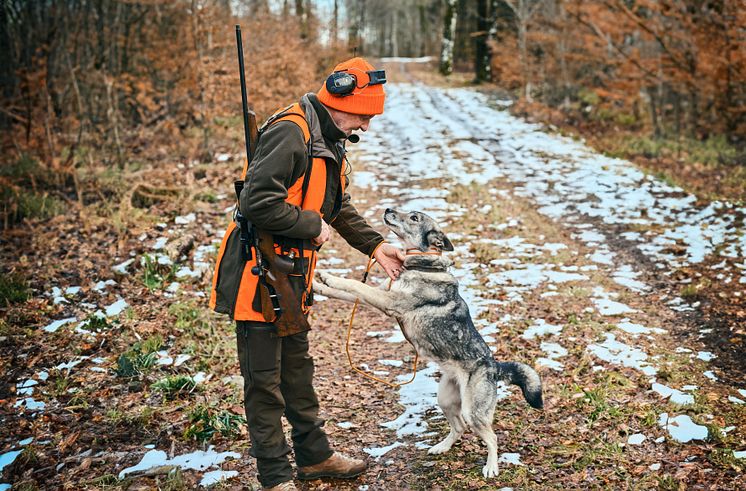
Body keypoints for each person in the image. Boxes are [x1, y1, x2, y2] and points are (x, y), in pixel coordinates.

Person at [210, 57, 404, 491]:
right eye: (364, 115)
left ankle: (315, 458)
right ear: (338, 99)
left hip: (290, 274)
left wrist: (376, 245)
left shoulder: (328, 135)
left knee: (297, 370)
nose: (367, 126)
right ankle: (276, 478)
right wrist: (310, 226)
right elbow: (256, 204)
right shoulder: (291, 133)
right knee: (264, 383)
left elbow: (333, 204)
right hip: (257, 276)